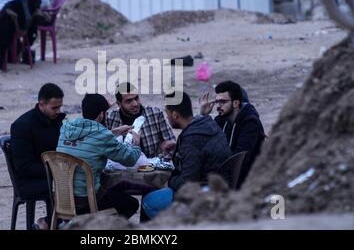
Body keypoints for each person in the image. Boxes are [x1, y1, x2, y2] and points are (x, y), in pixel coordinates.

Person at [141, 91, 230, 220]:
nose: (167, 117)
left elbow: (187, 183)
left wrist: (168, 180)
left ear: (175, 115)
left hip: (205, 190)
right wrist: (178, 146)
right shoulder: (207, 123)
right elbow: (200, 151)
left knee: (148, 202)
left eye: (167, 114)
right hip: (218, 182)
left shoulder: (191, 139)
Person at [57, 94, 143, 219]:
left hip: (60, 196)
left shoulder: (67, 128)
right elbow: (129, 159)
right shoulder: (101, 135)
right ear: (102, 114)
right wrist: (136, 143)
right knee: (130, 204)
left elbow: (89, 139)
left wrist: (113, 132)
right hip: (85, 199)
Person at [10, 83, 65, 230]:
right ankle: (49, 223)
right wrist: (56, 170)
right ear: (42, 104)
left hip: (52, 175)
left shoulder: (56, 121)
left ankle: (53, 223)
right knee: (68, 189)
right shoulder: (22, 126)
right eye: (54, 108)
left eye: (60, 107)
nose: (58, 111)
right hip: (29, 182)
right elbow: (23, 167)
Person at [200, 80, 266, 188]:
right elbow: (203, 140)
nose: (218, 106)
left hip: (247, 181)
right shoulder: (222, 119)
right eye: (217, 102)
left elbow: (240, 158)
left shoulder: (250, 123)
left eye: (223, 102)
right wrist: (203, 115)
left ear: (235, 103)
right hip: (227, 176)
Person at [106, 82, 176, 159]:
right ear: (119, 103)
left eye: (136, 98)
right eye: (129, 101)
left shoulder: (155, 114)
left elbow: (172, 146)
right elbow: (101, 147)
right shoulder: (110, 118)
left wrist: (158, 162)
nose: (135, 104)